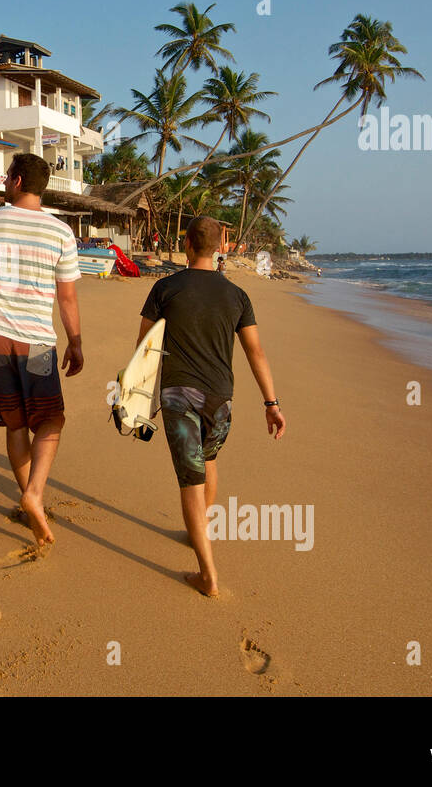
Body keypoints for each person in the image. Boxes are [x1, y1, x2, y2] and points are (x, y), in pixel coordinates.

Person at [137, 216, 286, 596]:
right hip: (222, 400)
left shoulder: (165, 288)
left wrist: (136, 400)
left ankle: (208, 575)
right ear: (221, 247)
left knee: (190, 480)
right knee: (210, 462)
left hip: (179, 396)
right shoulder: (237, 296)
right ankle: (196, 533)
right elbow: (257, 352)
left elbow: (145, 349)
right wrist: (271, 403)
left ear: (186, 244)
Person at [0, 153, 83, 546]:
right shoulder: (60, 232)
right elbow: (67, 298)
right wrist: (76, 342)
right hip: (38, 343)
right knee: (49, 421)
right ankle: (34, 495)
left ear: (14, 180)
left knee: (15, 425)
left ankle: (32, 496)